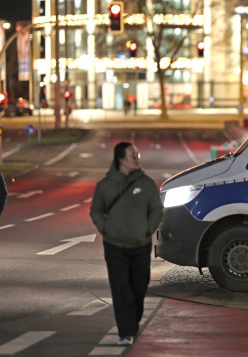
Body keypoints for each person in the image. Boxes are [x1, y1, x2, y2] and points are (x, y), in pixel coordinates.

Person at [90, 142, 163, 346]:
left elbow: (157, 209)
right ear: (121, 159)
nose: (137, 158)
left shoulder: (146, 184)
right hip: (115, 246)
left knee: (139, 286)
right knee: (120, 288)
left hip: (140, 245)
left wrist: (147, 229)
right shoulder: (105, 186)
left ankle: (133, 321)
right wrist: (106, 228)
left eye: (137, 154)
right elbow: (96, 210)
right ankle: (125, 330)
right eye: (133, 155)